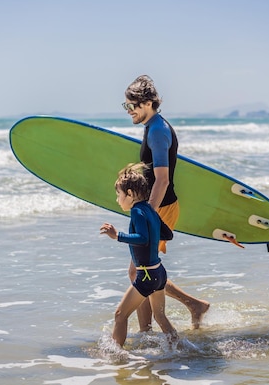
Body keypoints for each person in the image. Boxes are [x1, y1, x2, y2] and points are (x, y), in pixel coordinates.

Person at [122, 75, 210, 330]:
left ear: (147, 103)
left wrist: (148, 212)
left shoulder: (158, 131)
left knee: (139, 272)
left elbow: (162, 179)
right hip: (155, 206)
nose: (129, 111)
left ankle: (186, 309)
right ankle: (150, 330)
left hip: (161, 206)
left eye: (131, 106)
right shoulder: (153, 127)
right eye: (126, 106)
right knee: (141, 271)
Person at [100, 163, 178, 348]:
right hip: (159, 272)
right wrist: (153, 231)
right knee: (160, 317)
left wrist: (117, 235)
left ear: (130, 194)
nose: (118, 200)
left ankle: (115, 355)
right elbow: (168, 235)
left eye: (119, 195)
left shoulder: (137, 211)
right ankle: (181, 349)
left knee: (120, 315)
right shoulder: (150, 209)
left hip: (147, 275)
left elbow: (142, 238)